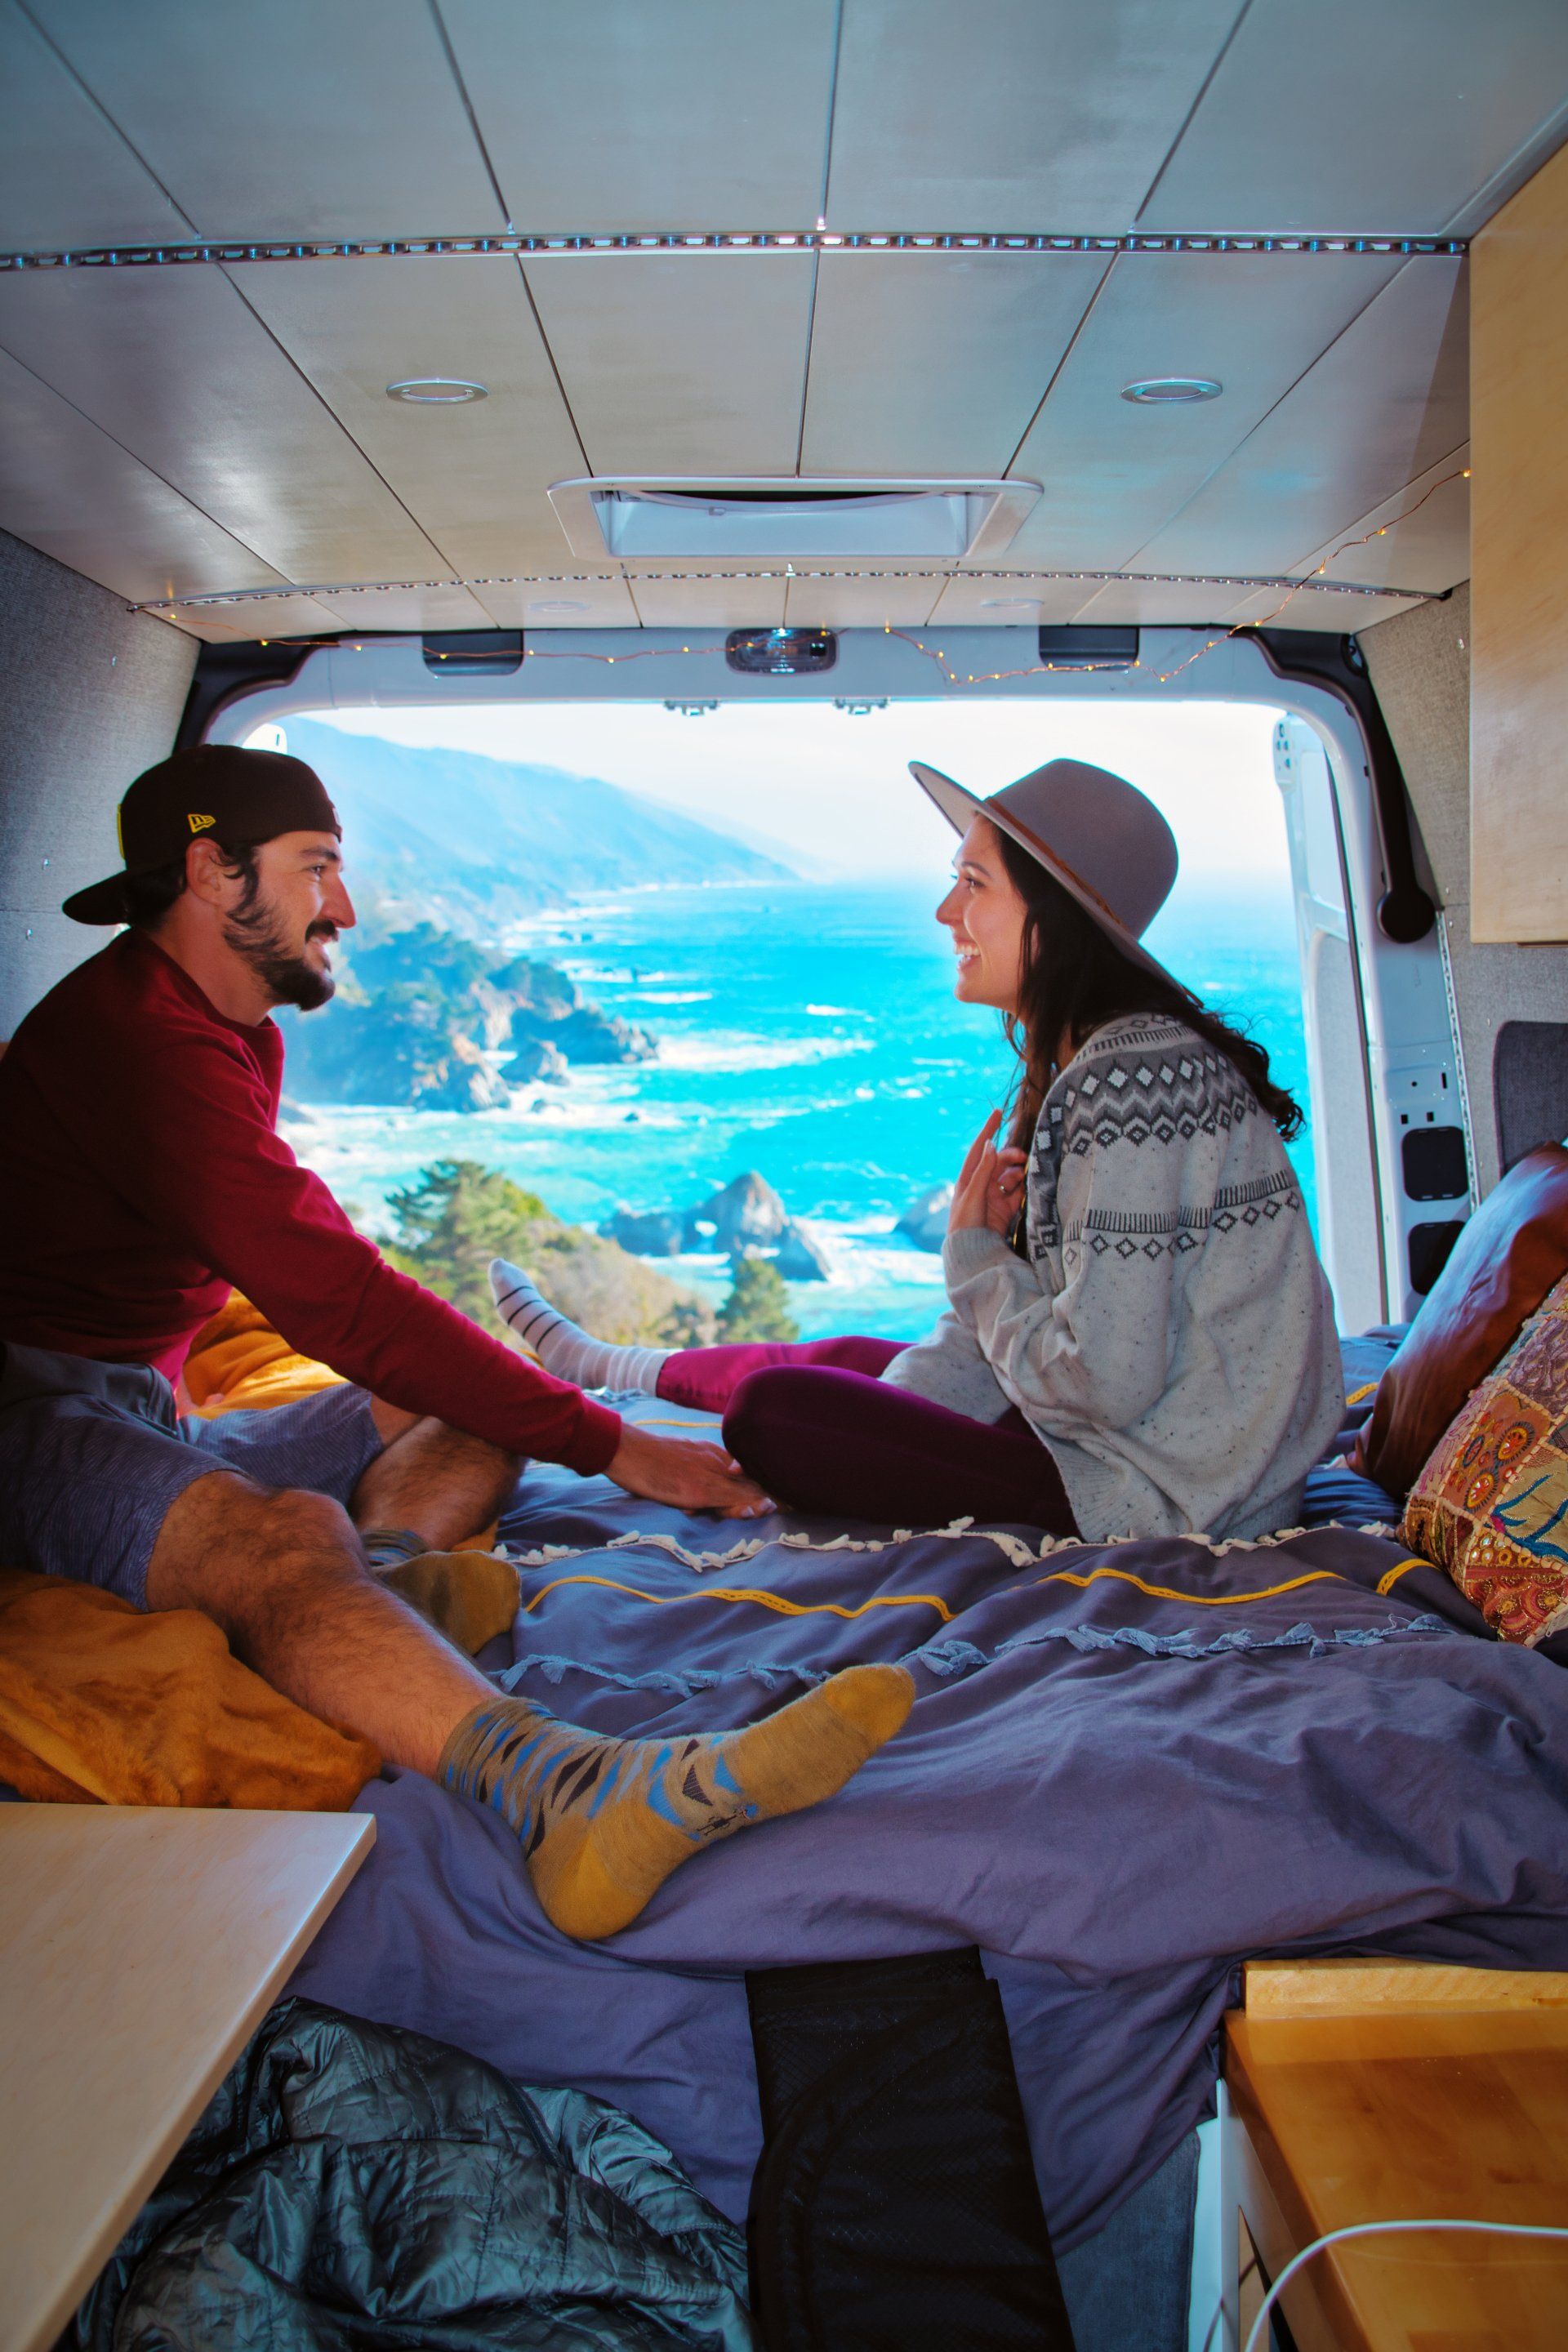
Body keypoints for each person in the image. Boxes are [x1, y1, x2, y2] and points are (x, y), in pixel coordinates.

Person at [0, 745, 911, 1940]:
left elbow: (367, 1323)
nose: (346, 906)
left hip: (141, 1410)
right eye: (317, 867)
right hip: (28, 1428)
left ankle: (376, 1596)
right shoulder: (133, 1047)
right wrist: (613, 1445)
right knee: (281, 1539)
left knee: (485, 1398)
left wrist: (565, 1421)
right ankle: (570, 1795)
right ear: (213, 873)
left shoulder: (234, 1034)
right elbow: (340, 1302)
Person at [494, 757, 1343, 1542]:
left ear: (1052, 915)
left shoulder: (1127, 1080)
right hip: (1168, 1453)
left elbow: (1101, 1382)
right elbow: (1033, 1340)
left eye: (972, 883)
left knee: (773, 1411)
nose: (946, 913)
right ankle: (608, 1368)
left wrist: (974, 1261)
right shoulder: (1116, 1060)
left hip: (1173, 1498)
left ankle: (620, 1371)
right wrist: (887, 1424)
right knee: (847, 1367)